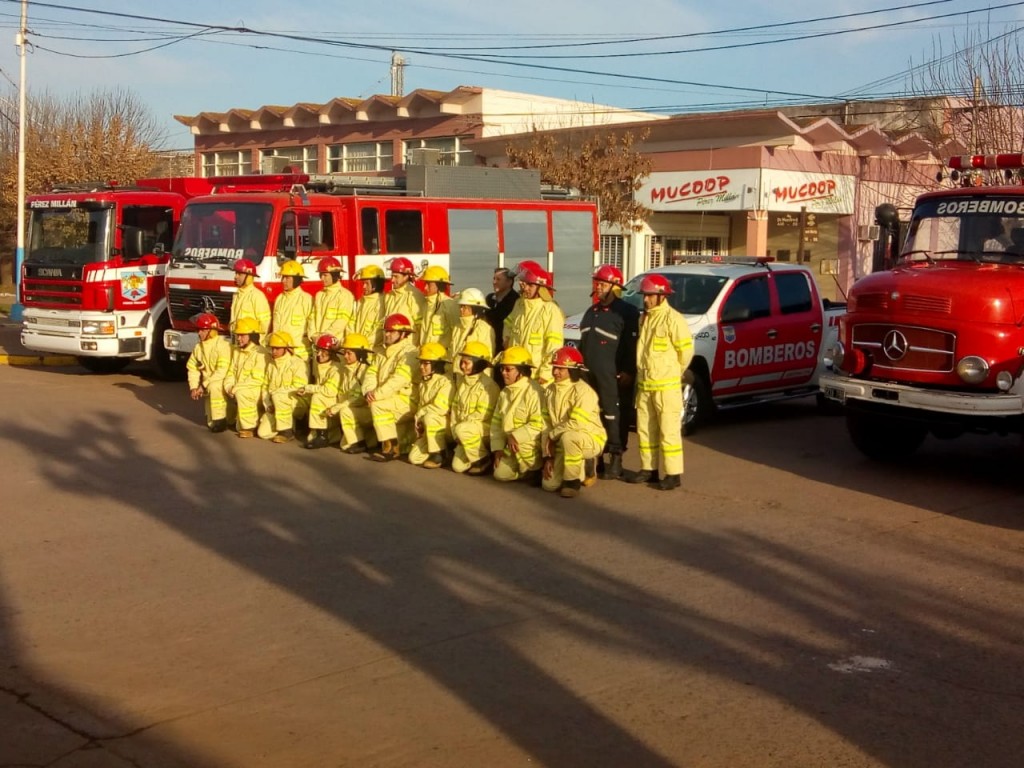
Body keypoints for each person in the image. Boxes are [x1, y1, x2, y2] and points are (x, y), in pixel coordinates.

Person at [629, 274, 694, 491]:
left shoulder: (673, 319)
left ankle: (673, 474)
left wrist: (673, 372)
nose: (645, 299)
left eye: (649, 296)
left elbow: (686, 352)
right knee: (646, 431)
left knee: (669, 431)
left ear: (661, 296)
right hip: (646, 385)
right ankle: (649, 470)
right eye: (644, 295)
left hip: (666, 388)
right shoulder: (645, 318)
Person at [578, 264, 640, 480]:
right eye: (597, 283)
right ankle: (597, 457)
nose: (598, 287)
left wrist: (628, 370)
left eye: (602, 283)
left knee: (614, 415)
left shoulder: (627, 312)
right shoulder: (591, 312)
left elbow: (632, 345)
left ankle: (616, 457)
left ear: (615, 286)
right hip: (589, 375)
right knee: (592, 414)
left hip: (614, 376)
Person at [541, 347, 606, 498]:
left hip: (589, 438)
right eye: (554, 367)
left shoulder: (584, 392)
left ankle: (572, 482)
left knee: (569, 437)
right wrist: (547, 456)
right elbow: (545, 423)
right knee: (549, 485)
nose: (555, 372)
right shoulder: (550, 390)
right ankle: (581, 466)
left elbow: (576, 424)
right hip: (560, 439)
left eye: (560, 369)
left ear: (572, 370)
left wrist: (552, 436)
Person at [364, 313, 419, 462]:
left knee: (377, 406)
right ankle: (400, 444)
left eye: (391, 332)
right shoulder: (382, 352)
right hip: (389, 398)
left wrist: (376, 395)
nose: (387, 334)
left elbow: (398, 380)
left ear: (403, 334)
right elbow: (371, 373)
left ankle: (391, 448)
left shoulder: (410, 353)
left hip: (407, 400)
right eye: (385, 331)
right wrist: (369, 391)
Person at [490, 345, 548, 483]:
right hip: (511, 445)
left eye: (508, 369)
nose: (504, 373)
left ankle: (534, 469)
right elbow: (496, 422)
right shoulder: (505, 392)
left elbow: (538, 424)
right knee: (500, 475)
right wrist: (498, 448)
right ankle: (523, 471)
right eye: (502, 369)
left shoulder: (534, 391)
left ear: (521, 372)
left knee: (523, 443)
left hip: (528, 444)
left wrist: (516, 436)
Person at [503, 267, 564, 384]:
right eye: (525, 284)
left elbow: (554, 346)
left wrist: (545, 373)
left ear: (541, 288)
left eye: (531, 286)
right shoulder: (519, 304)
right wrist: (506, 338)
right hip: (517, 371)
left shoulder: (550, 310)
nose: (526, 288)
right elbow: (507, 323)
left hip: (537, 376)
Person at [450, 341, 501, 475]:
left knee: (463, 429)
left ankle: (482, 459)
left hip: (482, 429)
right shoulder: (463, 382)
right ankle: (474, 453)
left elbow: (482, 415)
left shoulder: (489, 386)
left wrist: (459, 429)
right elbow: (455, 410)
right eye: (462, 361)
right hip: (465, 429)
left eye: (467, 362)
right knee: (457, 467)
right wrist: (455, 432)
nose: (462, 366)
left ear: (478, 363)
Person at [407, 342, 454, 469]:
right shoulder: (424, 382)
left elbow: (441, 407)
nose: (421, 367)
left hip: (445, 425)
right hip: (430, 425)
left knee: (430, 417)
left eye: (426, 364)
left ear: (436, 365)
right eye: (421, 363)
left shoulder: (446, 382)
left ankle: (439, 453)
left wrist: (420, 415)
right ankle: (441, 449)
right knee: (414, 458)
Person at [257, 331, 309, 443]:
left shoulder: (297, 363)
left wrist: (277, 394)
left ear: (287, 348)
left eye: (277, 348)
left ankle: (286, 432)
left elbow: (299, 387)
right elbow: (265, 386)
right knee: (263, 433)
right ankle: (290, 424)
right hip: (277, 404)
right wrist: (268, 405)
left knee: (278, 395)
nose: (274, 351)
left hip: (297, 403)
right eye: (272, 348)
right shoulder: (271, 364)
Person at [186, 312, 233, 433]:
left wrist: (203, 385)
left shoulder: (222, 346)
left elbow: (221, 372)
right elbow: (192, 368)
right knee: (209, 422)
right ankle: (225, 418)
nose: (199, 333)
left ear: (211, 331)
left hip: (222, 381)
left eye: (202, 330)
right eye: (199, 330)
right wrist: (194, 387)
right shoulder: (198, 348)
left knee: (215, 386)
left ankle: (221, 421)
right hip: (207, 384)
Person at [223, 316, 270, 438]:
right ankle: (251, 418)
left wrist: (235, 388)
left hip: (257, 390)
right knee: (235, 424)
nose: (239, 338)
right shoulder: (237, 352)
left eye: (242, 335)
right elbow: (231, 372)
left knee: (242, 393)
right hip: (240, 390)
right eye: (238, 335)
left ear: (252, 336)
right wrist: (228, 387)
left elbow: (256, 380)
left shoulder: (261, 353)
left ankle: (249, 427)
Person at [330, 333, 377, 455]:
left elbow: (358, 399)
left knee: (345, 411)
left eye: (349, 353)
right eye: (344, 352)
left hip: (364, 411)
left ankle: (359, 442)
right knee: (344, 444)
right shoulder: (347, 368)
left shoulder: (364, 371)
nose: (345, 356)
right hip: (353, 409)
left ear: (360, 354)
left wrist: (336, 408)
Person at [301, 333, 344, 449]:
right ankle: (332, 433)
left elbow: (329, 391)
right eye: (318, 350)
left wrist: (308, 388)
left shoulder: (336, 369)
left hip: (336, 405)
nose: (319, 354)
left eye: (324, 352)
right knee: (310, 438)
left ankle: (322, 436)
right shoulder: (322, 364)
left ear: (332, 353)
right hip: (329, 405)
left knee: (317, 397)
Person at [307, 256, 354, 344]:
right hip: (317, 343)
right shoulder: (319, 295)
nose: (322, 278)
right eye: (321, 275)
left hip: (333, 344)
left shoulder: (345, 295)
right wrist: (313, 335)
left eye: (325, 275)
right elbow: (312, 318)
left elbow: (341, 321)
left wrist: (324, 337)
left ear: (335, 275)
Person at [272, 260, 313, 360]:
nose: (283, 281)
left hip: (300, 357)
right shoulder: (279, 299)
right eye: (283, 277)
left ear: (296, 279)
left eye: (287, 278)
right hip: (280, 355)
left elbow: (312, 329)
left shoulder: (307, 300)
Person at [382, 257, 427, 344]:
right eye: (392, 276)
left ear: (406, 276)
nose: (392, 280)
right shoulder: (390, 296)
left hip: (407, 350)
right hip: (390, 348)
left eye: (396, 276)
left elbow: (421, 327)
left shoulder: (415, 296)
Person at [448, 287, 496, 367]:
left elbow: (486, 359)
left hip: (474, 375)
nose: (461, 310)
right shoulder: (457, 327)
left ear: (476, 309)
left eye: (465, 307)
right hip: (455, 375)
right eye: (461, 306)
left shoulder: (484, 329)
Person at [419, 265, 459, 349]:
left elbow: (457, 334)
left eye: (429, 284)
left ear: (439, 285)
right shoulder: (426, 304)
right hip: (425, 354)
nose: (425, 287)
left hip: (442, 357)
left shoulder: (449, 305)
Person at [229, 258, 271, 336]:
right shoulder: (236, 294)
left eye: (239, 274)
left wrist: (258, 344)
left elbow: (264, 324)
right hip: (237, 343)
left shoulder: (257, 296)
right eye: (236, 273)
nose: (235, 277)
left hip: (251, 345)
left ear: (249, 276)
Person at [352, 264, 387, 347]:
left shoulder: (383, 302)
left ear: (375, 285)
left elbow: (379, 332)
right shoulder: (360, 302)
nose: (363, 286)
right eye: (363, 283)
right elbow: (351, 323)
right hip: (356, 347)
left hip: (372, 349)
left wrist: (362, 344)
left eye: (367, 283)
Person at [484, 266, 518, 348]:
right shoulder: (489, 299)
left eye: (498, 279)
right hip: (489, 344)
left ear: (509, 282)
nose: (494, 282)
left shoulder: (516, 301)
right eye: (494, 278)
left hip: (505, 346)